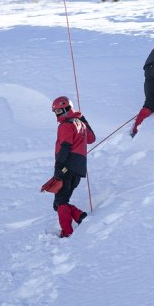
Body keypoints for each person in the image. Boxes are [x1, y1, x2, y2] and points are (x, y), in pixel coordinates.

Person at [50, 96, 96, 238]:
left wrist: (59, 168)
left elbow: (65, 146)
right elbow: (91, 138)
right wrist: (82, 119)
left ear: (67, 108)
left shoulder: (65, 125)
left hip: (67, 166)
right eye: (56, 112)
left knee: (60, 202)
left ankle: (67, 233)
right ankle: (79, 215)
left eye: (60, 111)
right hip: (78, 169)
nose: (58, 115)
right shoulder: (79, 123)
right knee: (60, 202)